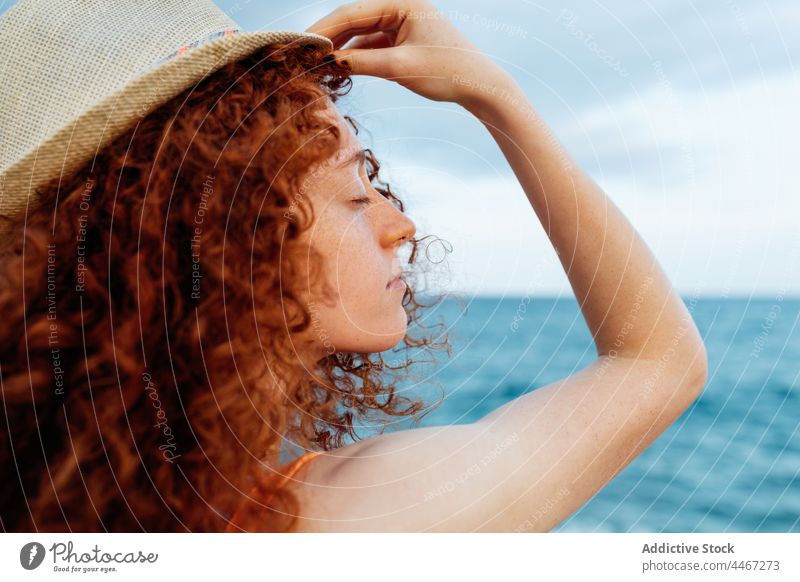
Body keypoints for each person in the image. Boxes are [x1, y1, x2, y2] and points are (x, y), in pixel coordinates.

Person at [0, 0, 707, 534]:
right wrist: (496, 96)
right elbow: (656, 363)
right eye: (352, 193)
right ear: (228, 250)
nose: (401, 225)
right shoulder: (333, 524)